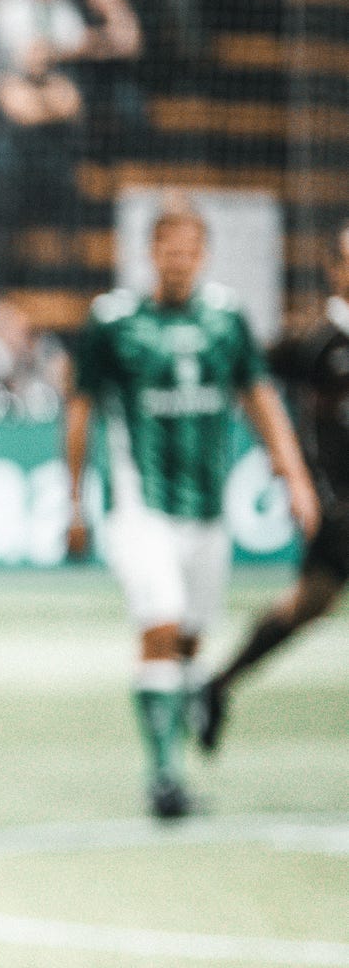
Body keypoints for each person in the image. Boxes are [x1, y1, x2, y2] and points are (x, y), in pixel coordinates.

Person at [66, 200, 318, 817]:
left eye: (189, 250)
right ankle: (164, 777)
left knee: (188, 641)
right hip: (139, 506)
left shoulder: (227, 320)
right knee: (161, 621)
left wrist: (294, 477)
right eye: (169, 249)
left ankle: (179, 743)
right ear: (151, 251)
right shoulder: (114, 322)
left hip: (208, 509)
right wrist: (73, 499)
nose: (179, 260)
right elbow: (80, 410)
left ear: (203, 254)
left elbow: (259, 398)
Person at [196, 223, 349, 752]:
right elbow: (249, 380)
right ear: (335, 270)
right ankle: (216, 685)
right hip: (338, 508)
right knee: (309, 604)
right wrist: (289, 466)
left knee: (310, 604)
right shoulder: (316, 341)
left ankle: (217, 684)